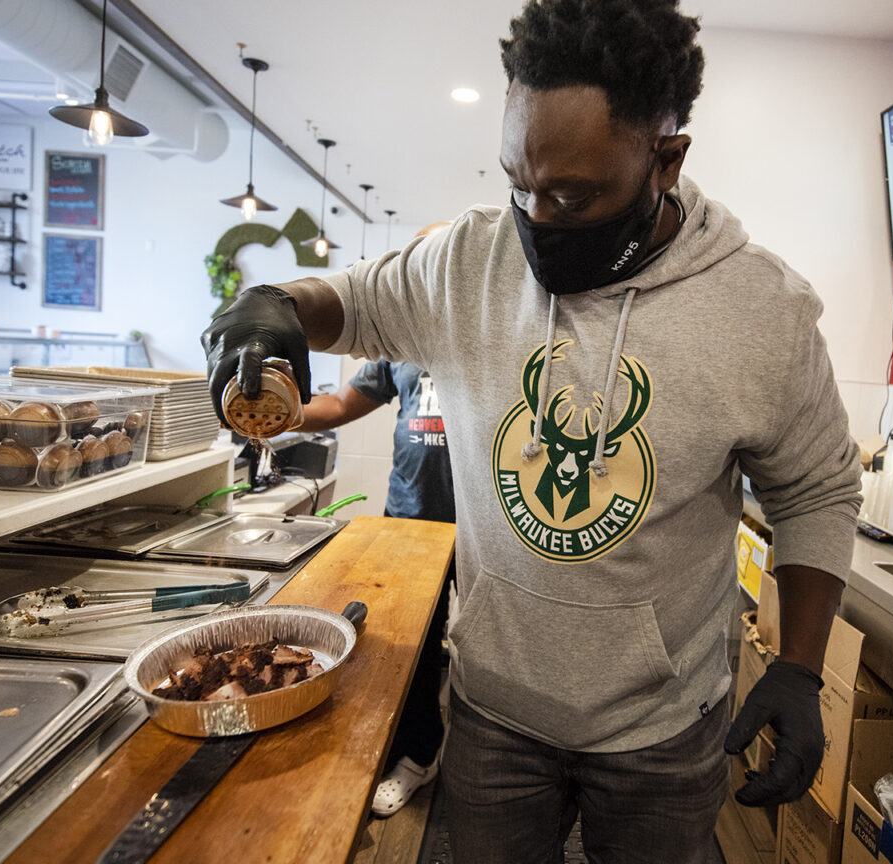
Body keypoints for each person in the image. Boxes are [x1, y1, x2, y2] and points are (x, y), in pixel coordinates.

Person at [203, 1, 860, 859]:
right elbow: (352, 303)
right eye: (518, 181)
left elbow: (817, 489)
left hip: (663, 731)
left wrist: (801, 668)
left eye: (571, 194)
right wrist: (276, 306)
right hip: (492, 715)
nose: (535, 217)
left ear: (666, 159)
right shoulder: (469, 261)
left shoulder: (760, 312)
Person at [297, 232, 455, 815]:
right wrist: (281, 412)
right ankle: (418, 754)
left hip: (489, 530)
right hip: (410, 522)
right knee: (408, 648)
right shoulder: (400, 344)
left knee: (485, 647)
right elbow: (339, 406)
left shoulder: (494, 342)